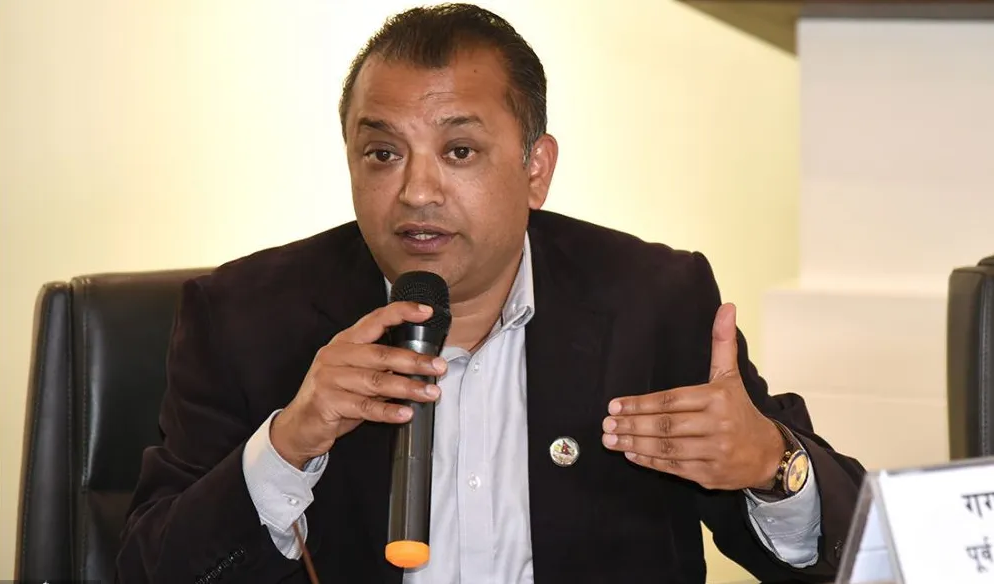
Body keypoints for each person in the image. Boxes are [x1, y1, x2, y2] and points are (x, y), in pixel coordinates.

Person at [116, 4, 865, 583]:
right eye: (382, 153)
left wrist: (773, 466)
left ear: (536, 169)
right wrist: (288, 443)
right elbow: (151, 569)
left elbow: (849, 554)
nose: (416, 190)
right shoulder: (243, 316)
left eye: (459, 150)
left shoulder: (653, 301)